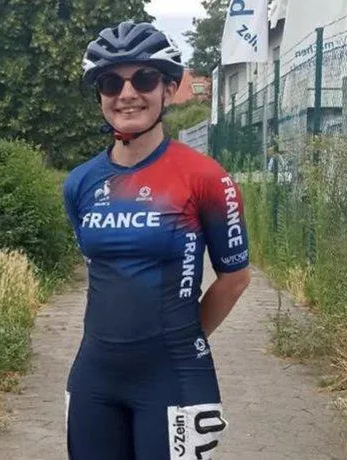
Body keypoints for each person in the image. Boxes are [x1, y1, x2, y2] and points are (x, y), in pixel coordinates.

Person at [62, 20, 251, 460]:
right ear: (100, 96)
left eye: (143, 79)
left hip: (174, 374)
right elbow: (99, 270)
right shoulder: (80, 183)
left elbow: (235, 278)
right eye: (111, 83)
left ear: (168, 88)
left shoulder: (205, 177)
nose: (127, 94)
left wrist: (181, 336)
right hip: (95, 375)